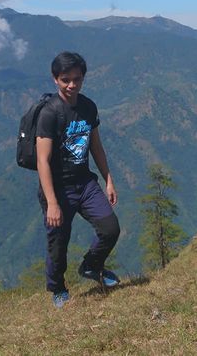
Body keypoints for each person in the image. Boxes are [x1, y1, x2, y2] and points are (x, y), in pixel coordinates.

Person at [36, 51, 121, 308]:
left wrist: (108, 179)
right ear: (55, 79)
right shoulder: (49, 113)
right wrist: (52, 202)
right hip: (59, 189)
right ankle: (58, 289)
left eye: (77, 79)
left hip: (85, 183)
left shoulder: (88, 107)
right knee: (59, 242)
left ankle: (91, 266)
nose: (72, 85)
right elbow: (42, 161)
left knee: (110, 228)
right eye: (65, 80)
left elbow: (96, 146)